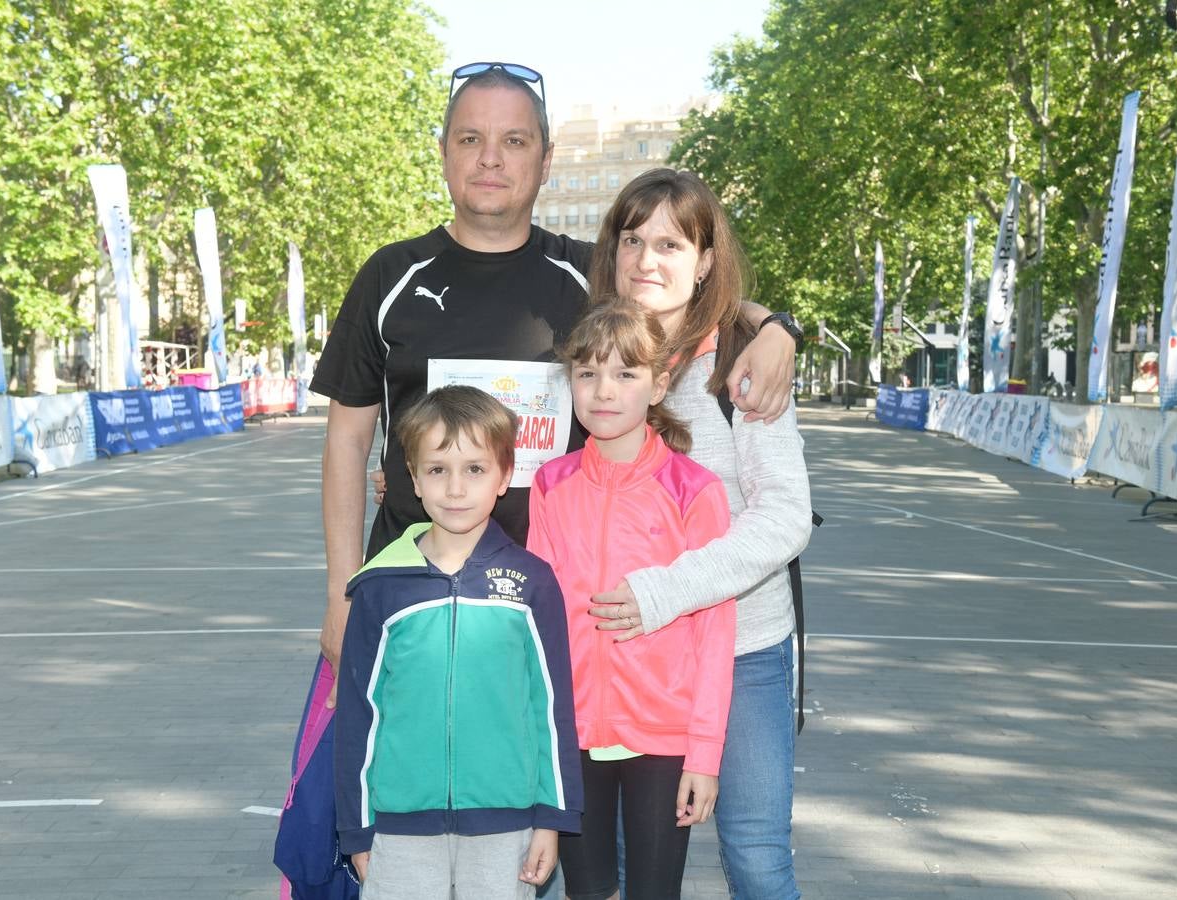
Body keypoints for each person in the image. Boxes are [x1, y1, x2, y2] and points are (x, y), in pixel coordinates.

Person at [309, 61, 799, 714]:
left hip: (549, 615)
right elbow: (346, 444)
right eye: (469, 139)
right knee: (397, 805)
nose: (490, 159)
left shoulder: (586, 282)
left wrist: (776, 329)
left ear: (545, 159)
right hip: (408, 601)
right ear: (443, 152)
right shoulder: (389, 276)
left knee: (530, 808)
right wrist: (343, 593)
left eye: (514, 141)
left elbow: (679, 293)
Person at [583, 168, 813, 900]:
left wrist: (666, 591)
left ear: (706, 260)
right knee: (617, 862)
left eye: (672, 244)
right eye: (634, 239)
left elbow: (784, 518)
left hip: (742, 651)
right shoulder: (597, 352)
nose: (648, 260)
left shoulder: (742, 361)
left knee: (754, 856)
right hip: (629, 661)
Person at [332, 385, 582, 900]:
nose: (455, 488)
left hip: (506, 824)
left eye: (474, 469)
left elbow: (552, 710)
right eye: (438, 469)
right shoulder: (381, 586)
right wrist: (356, 826)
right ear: (415, 478)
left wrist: (552, 819)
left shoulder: (532, 582)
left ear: (505, 476)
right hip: (399, 825)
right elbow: (359, 713)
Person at [527, 300, 735, 900]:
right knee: (585, 892)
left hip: (664, 738)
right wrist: (538, 736)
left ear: (659, 382)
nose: (603, 391)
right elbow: (537, 625)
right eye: (587, 374)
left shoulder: (695, 492)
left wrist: (704, 754)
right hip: (573, 733)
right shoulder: (551, 484)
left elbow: (715, 632)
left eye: (625, 374)